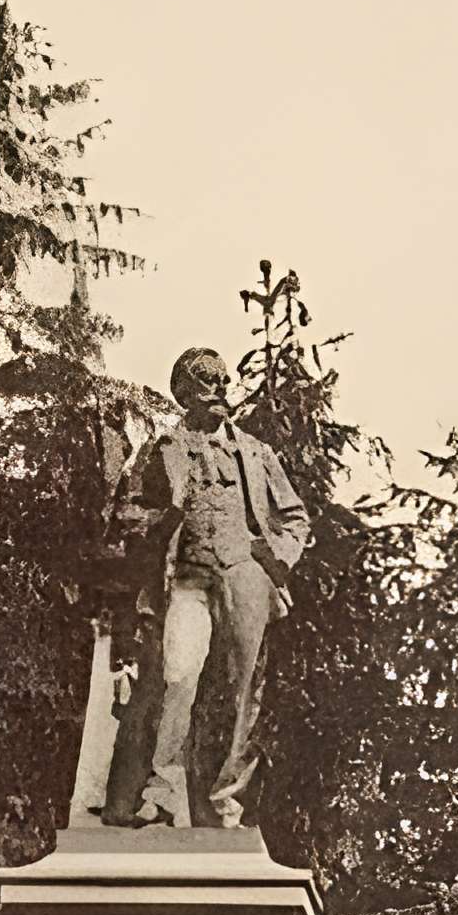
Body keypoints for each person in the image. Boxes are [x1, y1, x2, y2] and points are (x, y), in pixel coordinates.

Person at [102, 346, 312, 829]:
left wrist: (273, 560)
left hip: (244, 576)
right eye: (206, 379)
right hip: (188, 578)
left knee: (243, 692)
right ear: (184, 393)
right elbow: (128, 511)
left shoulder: (257, 454)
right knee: (179, 677)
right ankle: (162, 789)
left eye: (222, 378)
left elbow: (295, 517)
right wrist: (162, 520)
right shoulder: (164, 451)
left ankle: (225, 800)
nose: (220, 387)